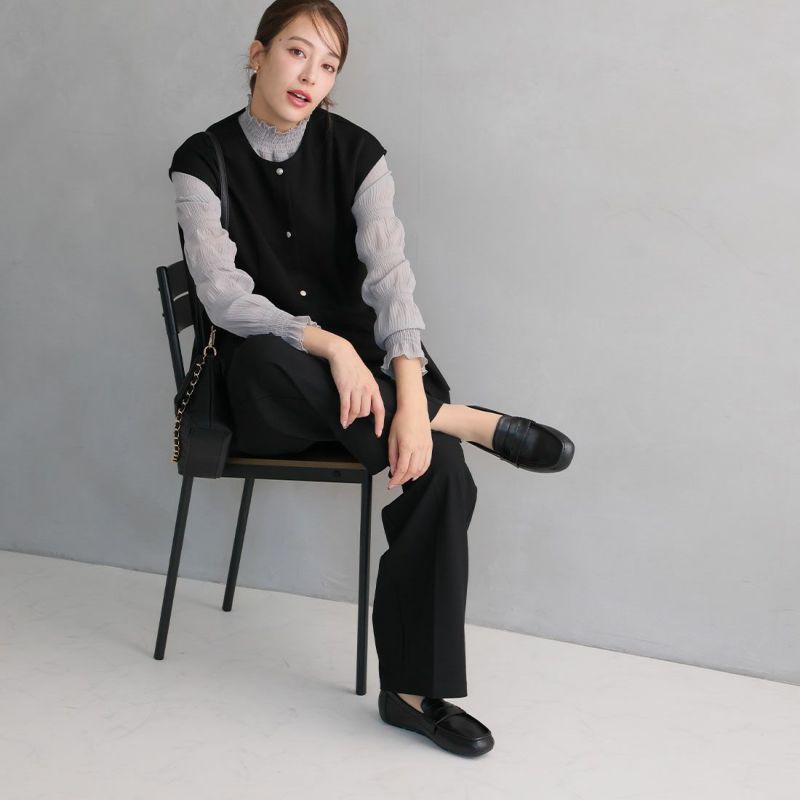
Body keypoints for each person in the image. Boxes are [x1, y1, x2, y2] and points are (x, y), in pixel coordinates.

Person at [169, 0, 574, 758]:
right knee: (267, 355)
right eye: (297, 52)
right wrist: (328, 344)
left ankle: (413, 693)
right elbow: (222, 297)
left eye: (328, 65)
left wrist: (410, 393)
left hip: (365, 395)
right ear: (257, 54)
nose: (310, 76)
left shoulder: (358, 154)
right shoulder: (202, 160)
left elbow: (391, 280)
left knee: (441, 471)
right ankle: (466, 419)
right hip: (269, 394)